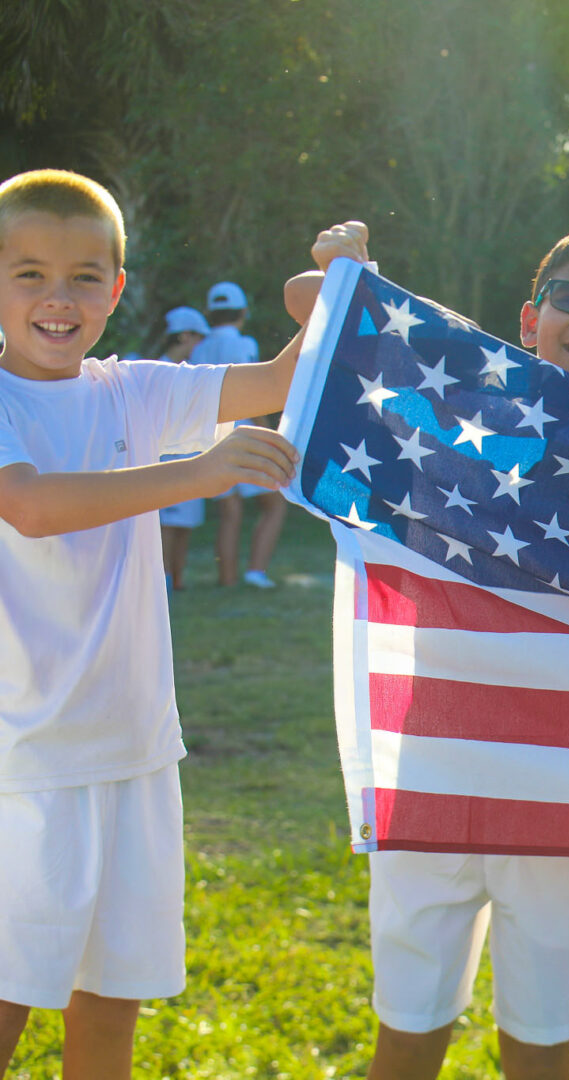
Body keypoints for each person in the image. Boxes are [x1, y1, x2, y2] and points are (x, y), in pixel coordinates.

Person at [285, 224, 569, 1080]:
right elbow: (316, 313)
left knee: (541, 1042)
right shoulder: (459, 411)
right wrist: (350, 274)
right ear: (530, 319)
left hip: (567, 788)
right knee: (408, 1033)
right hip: (435, 769)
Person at [0, 168, 311, 1079]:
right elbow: (31, 505)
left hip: (136, 753)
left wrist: (334, 288)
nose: (59, 299)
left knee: (110, 1005)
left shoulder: (132, 389)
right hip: (27, 767)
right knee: (8, 999)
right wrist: (198, 474)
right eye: (29, 274)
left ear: (117, 289)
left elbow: (281, 379)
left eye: (84, 276)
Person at [194, 280, 286, 587]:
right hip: (244, 432)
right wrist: (270, 432)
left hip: (208, 435)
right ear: (243, 312)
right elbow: (254, 392)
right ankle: (255, 571)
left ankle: (227, 578)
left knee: (229, 511)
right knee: (274, 503)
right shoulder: (244, 344)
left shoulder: (199, 347)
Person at [149, 305, 212, 589]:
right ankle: (162, 582)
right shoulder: (156, 371)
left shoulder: (189, 371)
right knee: (166, 527)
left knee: (185, 525)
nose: (199, 345)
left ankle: (177, 581)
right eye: (197, 337)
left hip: (190, 457)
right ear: (184, 336)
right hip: (165, 461)